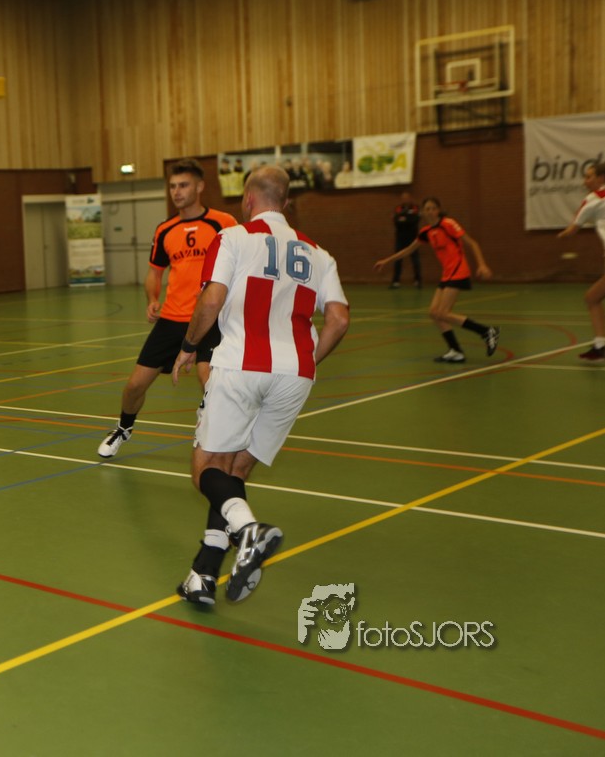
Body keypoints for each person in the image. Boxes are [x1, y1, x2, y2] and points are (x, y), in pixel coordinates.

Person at [170, 166, 350, 605]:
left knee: (206, 469)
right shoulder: (320, 254)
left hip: (241, 366)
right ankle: (203, 575)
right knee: (235, 472)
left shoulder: (232, 237)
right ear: (286, 203)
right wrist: (307, 360)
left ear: (248, 199)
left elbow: (212, 299)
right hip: (295, 375)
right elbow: (339, 320)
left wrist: (189, 345)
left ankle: (248, 530)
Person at [97, 158, 237, 458]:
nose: (177, 191)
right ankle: (123, 428)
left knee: (208, 380)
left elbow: (242, 264)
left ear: (200, 187)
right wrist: (152, 298)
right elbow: (155, 272)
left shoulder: (224, 223)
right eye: (173, 186)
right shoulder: (165, 229)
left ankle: (213, 433)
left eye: (183, 185)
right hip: (172, 319)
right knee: (135, 386)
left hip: (210, 318)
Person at [374, 197, 498, 363]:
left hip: (459, 271)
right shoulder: (426, 232)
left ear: (438, 210)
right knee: (434, 313)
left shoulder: (448, 224)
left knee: (443, 313)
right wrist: (386, 261)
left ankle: (486, 331)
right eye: (427, 209)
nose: (430, 211)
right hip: (447, 274)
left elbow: (472, 243)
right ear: (423, 212)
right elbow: (408, 250)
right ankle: (456, 351)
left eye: (433, 208)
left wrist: (482, 264)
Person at [556, 162, 605, 362]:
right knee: (592, 298)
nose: (585, 181)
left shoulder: (593, 199)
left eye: (589, 176)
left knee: (592, 298)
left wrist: (562, 236)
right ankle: (601, 345)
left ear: (601, 178)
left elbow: (572, 230)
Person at [389, 193, 422, 288]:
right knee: (398, 259)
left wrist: (404, 218)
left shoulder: (415, 208)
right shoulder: (398, 208)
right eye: (403, 198)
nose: (405, 199)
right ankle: (395, 281)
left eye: (407, 198)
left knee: (415, 260)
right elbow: (396, 221)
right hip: (400, 238)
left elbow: (414, 220)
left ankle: (418, 281)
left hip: (413, 238)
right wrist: (406, 218)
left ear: (410, 198)